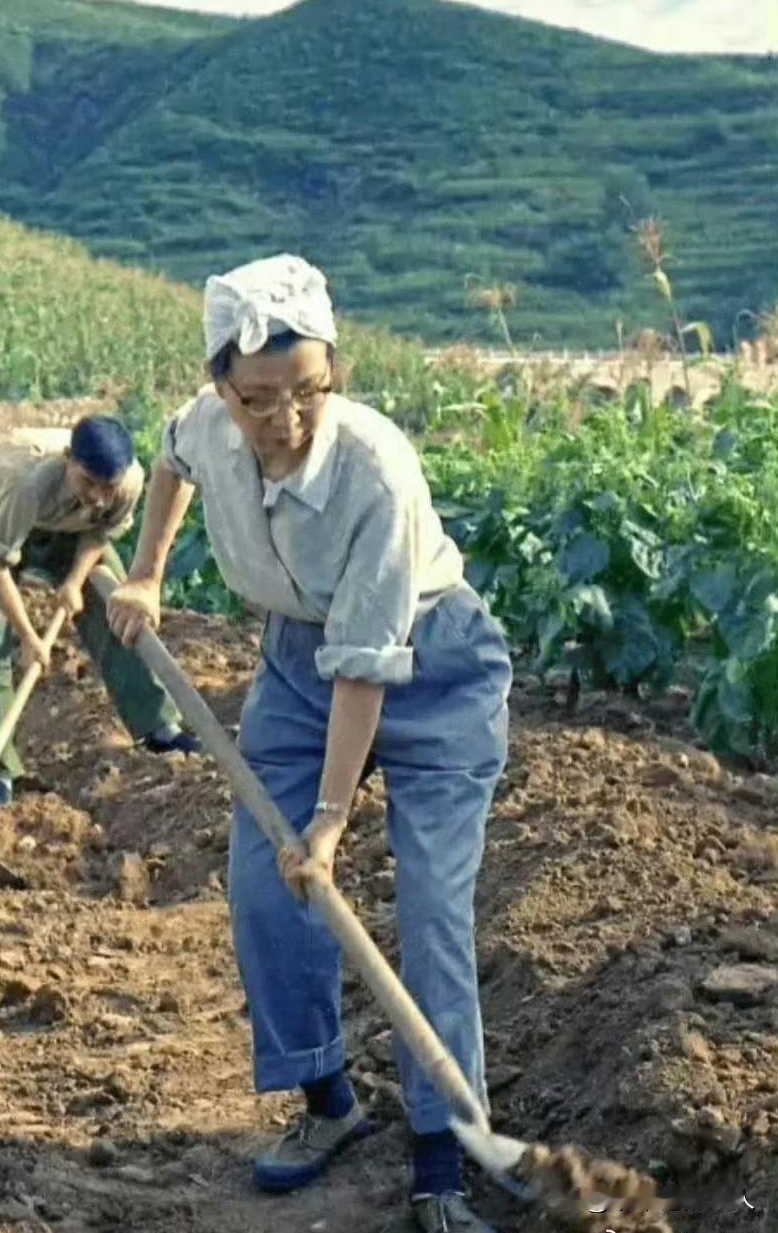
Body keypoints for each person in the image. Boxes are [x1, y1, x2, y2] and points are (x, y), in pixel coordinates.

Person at [107, 256, 511, 1233]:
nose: (283, 421)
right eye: (256, 400)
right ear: (220, 385)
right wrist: (146, 570)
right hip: (295, 659)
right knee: (261, 883)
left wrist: (329, 822)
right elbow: (169, 462)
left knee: (429, 907)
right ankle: (327, 1099)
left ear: (336, 372)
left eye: (308, 393)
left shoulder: (373, 468)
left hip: (429, 663)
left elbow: (366, 668)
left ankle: (442, 1157)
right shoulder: (208, 424)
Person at [0, 416, 198, 808]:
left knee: (119, 609)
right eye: (89, 482)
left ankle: (158, 727)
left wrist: (73, 582)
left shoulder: (128, 481)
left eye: (108, 487)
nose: (100, 496)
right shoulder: (26, 485)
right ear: (69, 459)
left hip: (71, 528)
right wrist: (30, 637)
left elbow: (99, 530)